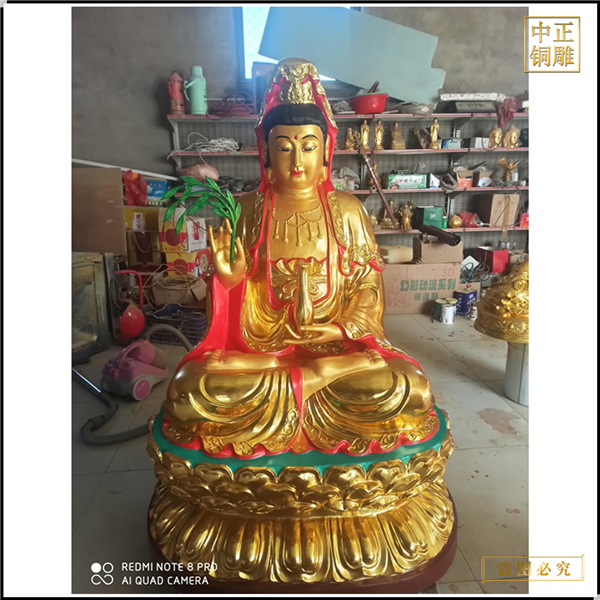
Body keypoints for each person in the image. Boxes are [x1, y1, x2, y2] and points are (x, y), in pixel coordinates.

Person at [162, 58, 438, 458]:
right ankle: (309, 379)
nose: (296, 162)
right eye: (284, 148)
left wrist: (339, 329)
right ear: (266, 152)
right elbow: (230, 309)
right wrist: (229, 280)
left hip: (335, 348)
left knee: (410, 387)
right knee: (189, 388)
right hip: (262, 348)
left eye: (308, 147)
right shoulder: (246, 209)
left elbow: (367, 288)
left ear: (325, 151)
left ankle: (312, 377)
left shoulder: (348, 210)